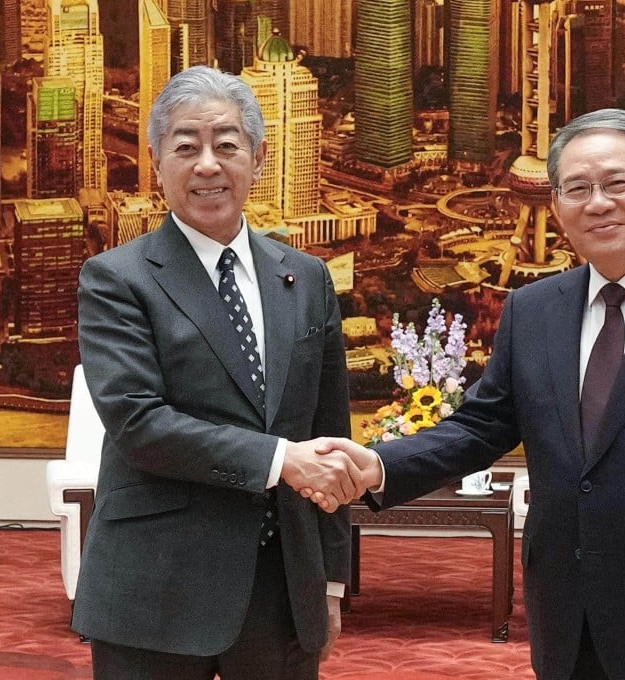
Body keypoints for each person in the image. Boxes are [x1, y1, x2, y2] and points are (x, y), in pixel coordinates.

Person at [317, 108, 625, 680]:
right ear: (557, 208)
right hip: (565, 616)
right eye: (577, 188)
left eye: (617, 182)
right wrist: (377, 464)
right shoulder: (534, 310)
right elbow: (480, 428)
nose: (598, 202)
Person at [72, 65, 363, 680]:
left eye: (227, 145)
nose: (208, 164)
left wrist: (331, 582)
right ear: (156, 161)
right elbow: (139, 422)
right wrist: (281, 459)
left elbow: (331, 434)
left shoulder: (306, 277)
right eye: (186, 147)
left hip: (281, 586)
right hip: (156, 587)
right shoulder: (117, 278)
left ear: (257, 158)